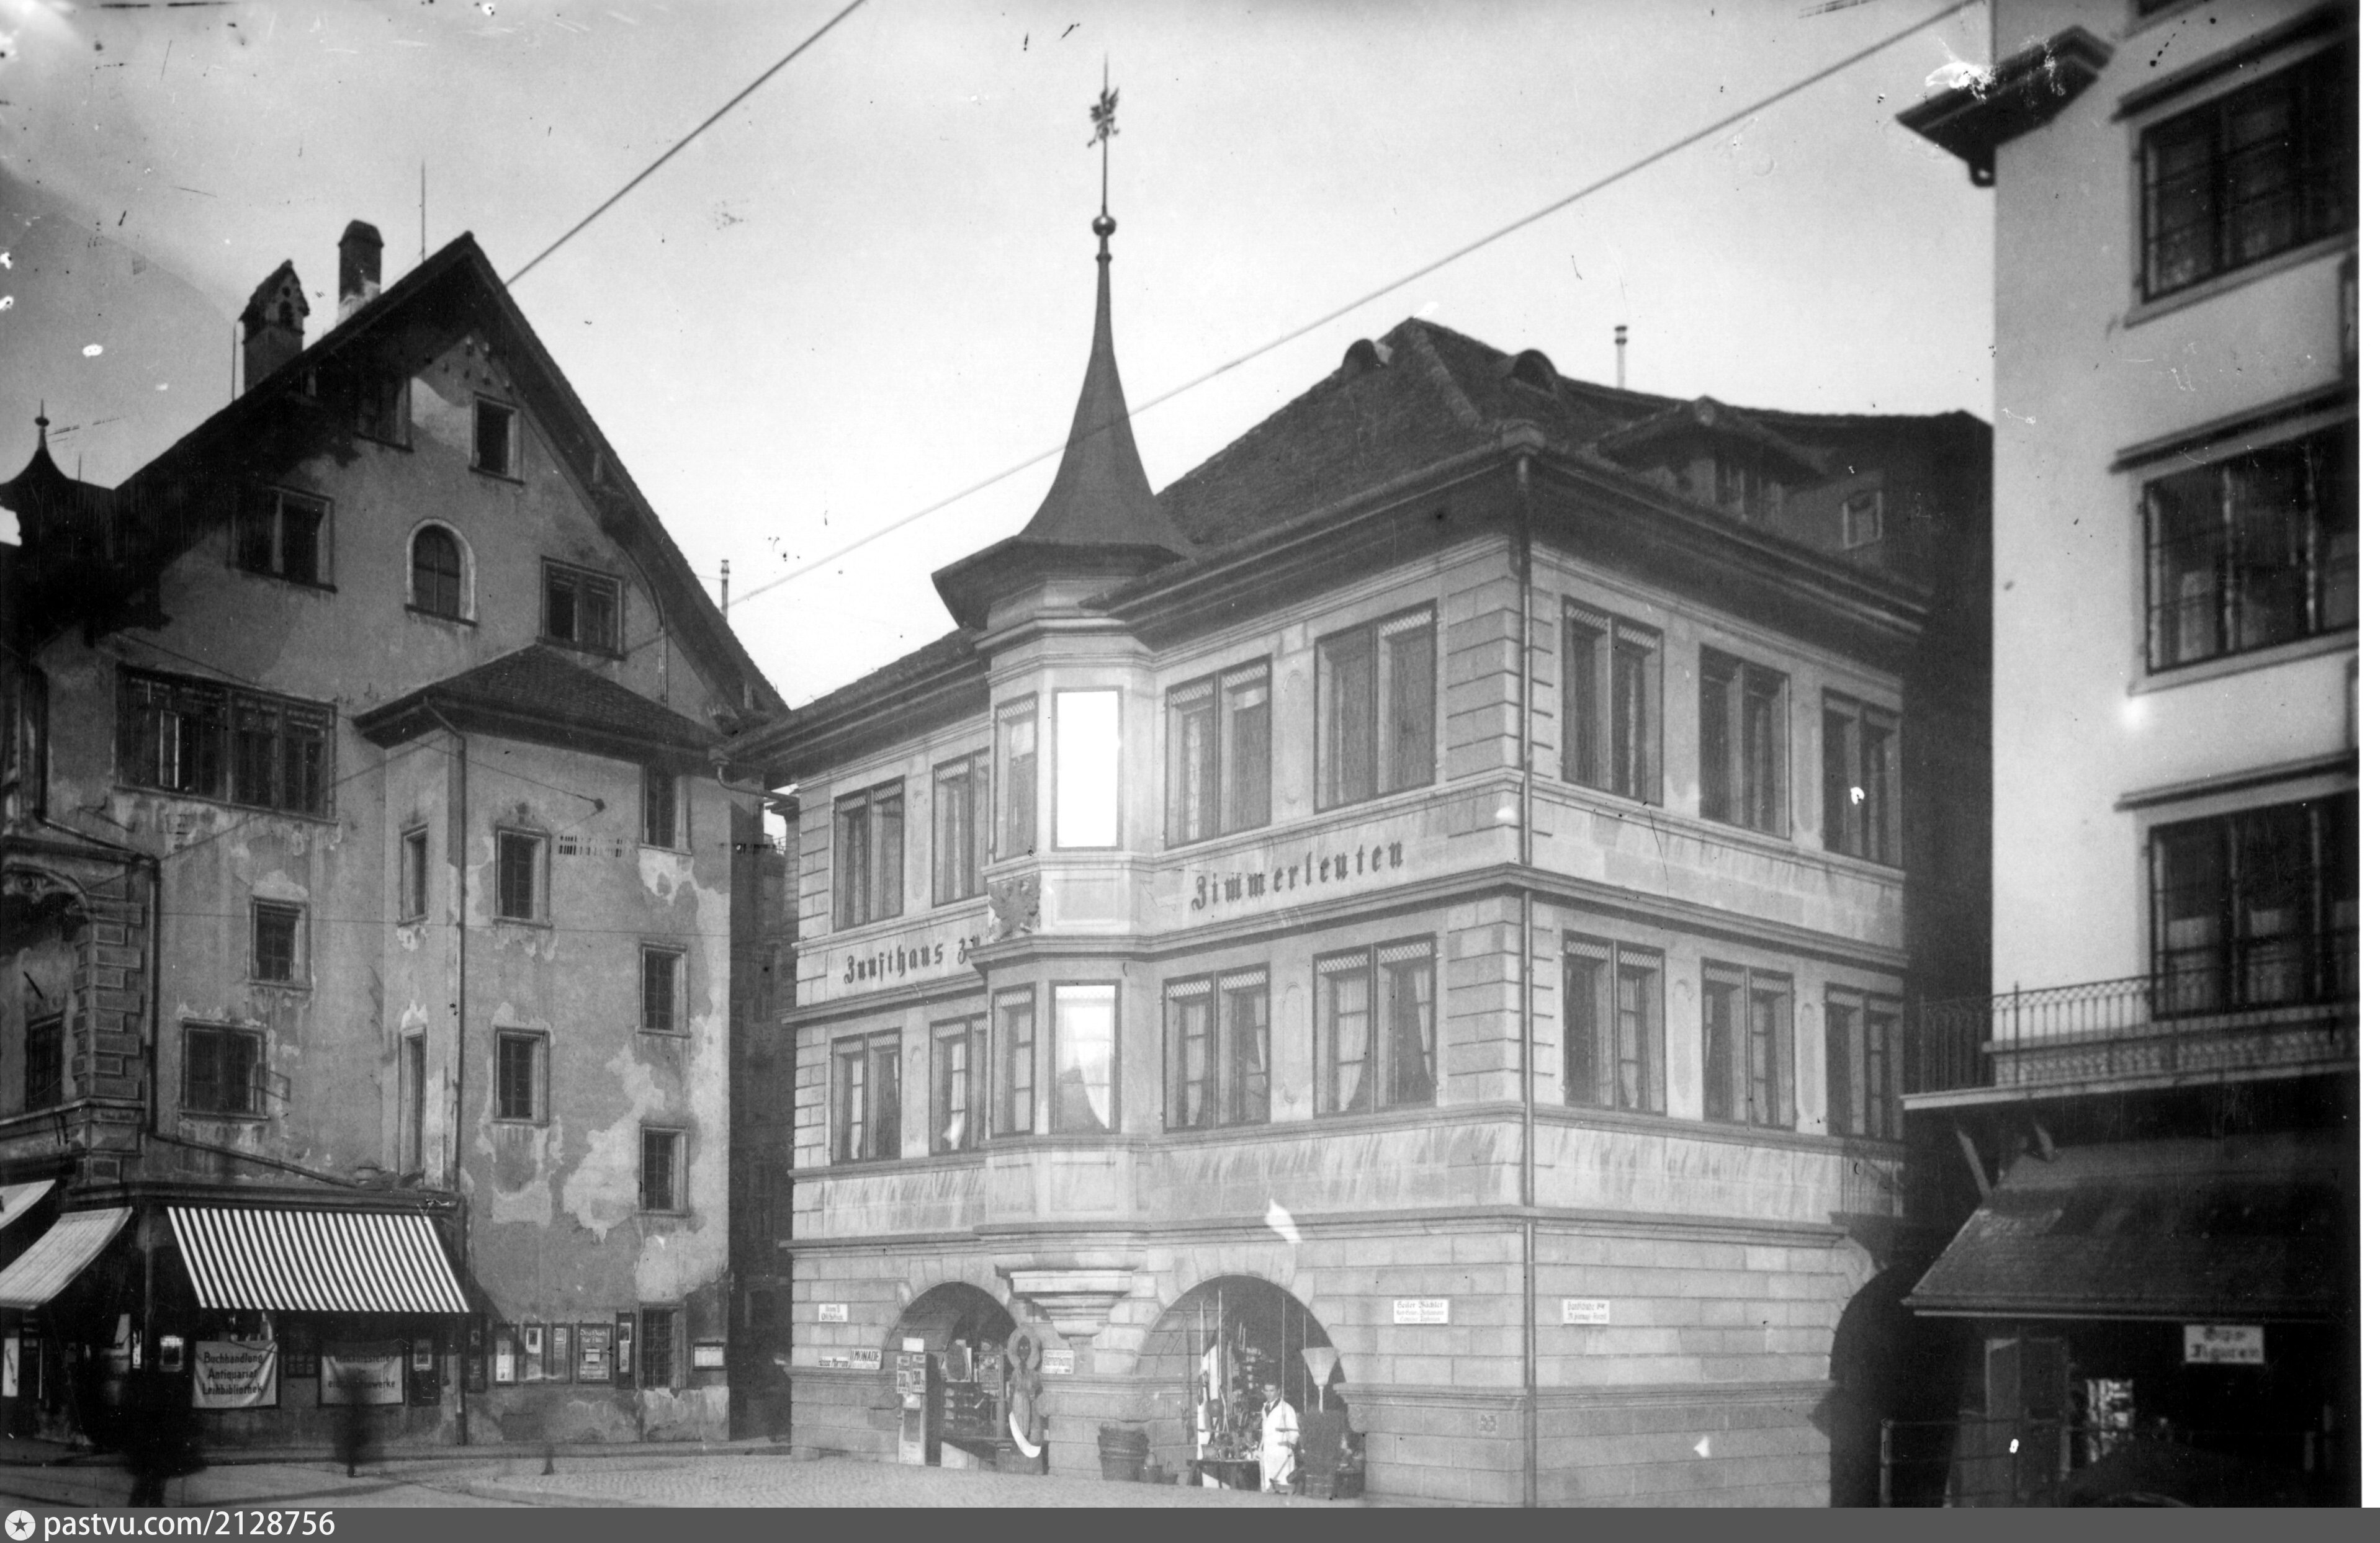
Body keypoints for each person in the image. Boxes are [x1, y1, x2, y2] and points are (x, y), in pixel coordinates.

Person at [1259, 1380, 1299, 1495]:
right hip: (1268, 1454)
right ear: (1263, 1391)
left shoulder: (1287, 1408)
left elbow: (1295, 1433)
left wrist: (1288, 1448)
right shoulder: (1265, 1408)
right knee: (1269, 1490)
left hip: (1282, 1454)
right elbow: (1265, 1432)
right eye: (1266, 1391)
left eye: (1272, 1391)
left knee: (1283, 1489)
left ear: (1279, 1391)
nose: (1269, 1394)